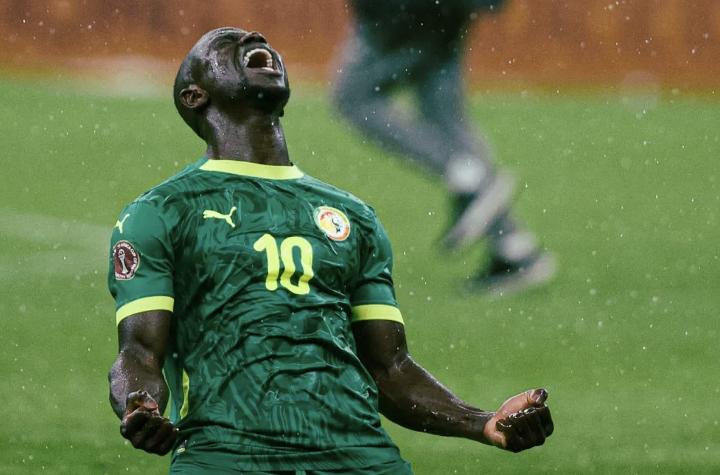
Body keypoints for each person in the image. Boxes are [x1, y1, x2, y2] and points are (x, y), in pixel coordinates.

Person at [107, 27, 554, 474]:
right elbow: (139, 354)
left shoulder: (353, 216)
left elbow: (391, 369)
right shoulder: (160, 213)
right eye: (224, 44)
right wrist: (139, 405)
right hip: (226, 459)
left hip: (362, 459)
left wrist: (483, 423)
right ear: (194, 96)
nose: (254, 37)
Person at [334, 0, 555, 295]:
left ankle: (469, 175)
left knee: (355, 98)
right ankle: (514, 248)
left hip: (406, 12)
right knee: (444, 117)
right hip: (449, 11)